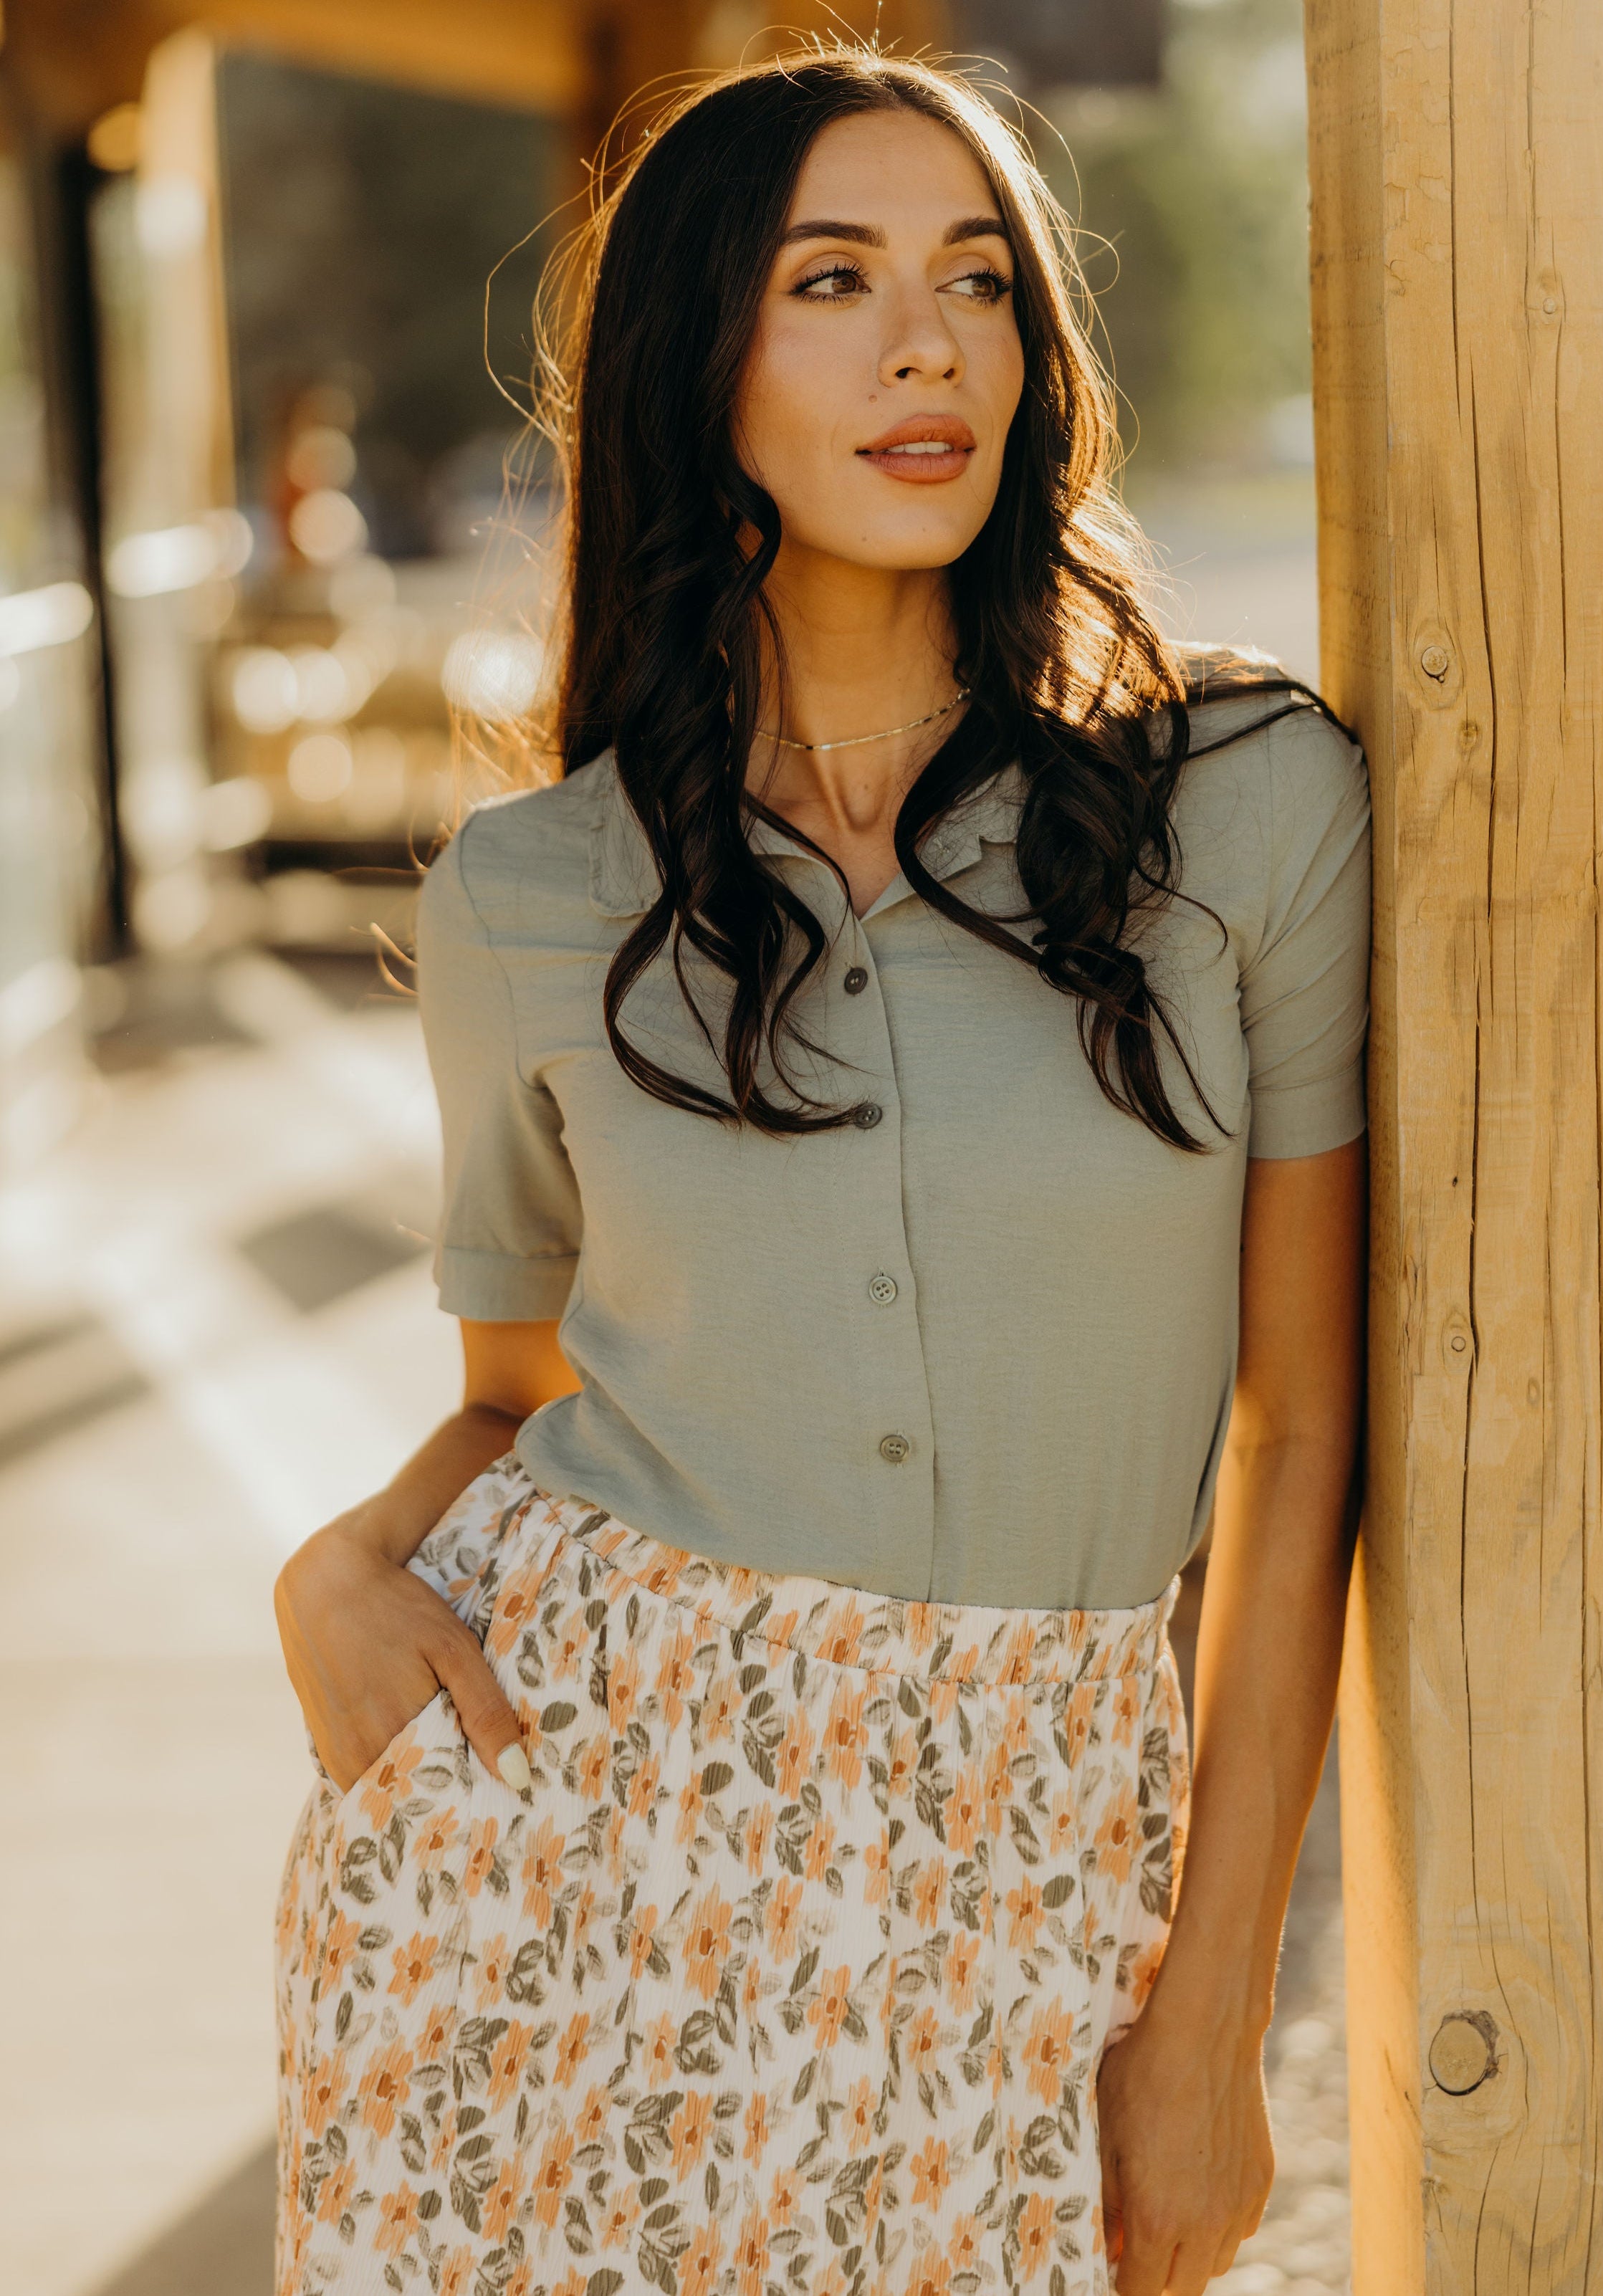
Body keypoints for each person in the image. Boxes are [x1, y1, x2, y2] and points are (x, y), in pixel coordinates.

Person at [272, 47, 1367, 2296]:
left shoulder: (1241, 804)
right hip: (557, 1877)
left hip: (1034, 1861)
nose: (928, 342)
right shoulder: (531, 891)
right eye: (833, 280)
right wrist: (343, 1563)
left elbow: (1293, 1424)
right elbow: (525, 1393)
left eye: (975, 279)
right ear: (702, 362)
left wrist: (1210, 2011)